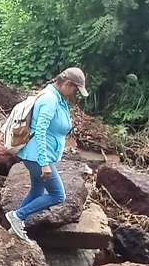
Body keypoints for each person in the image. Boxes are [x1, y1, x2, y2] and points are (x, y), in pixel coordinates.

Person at [5, 67, 89, 244]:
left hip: (37, 155)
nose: (75, 93)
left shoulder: (58, 98)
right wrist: (44, 164)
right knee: (58, 195)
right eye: (75, 89)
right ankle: (18, 216)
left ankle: (15, 226)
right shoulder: (50, 100)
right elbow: (41, 131)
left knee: (36, 190)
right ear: (66, 84)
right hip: (37, 156)